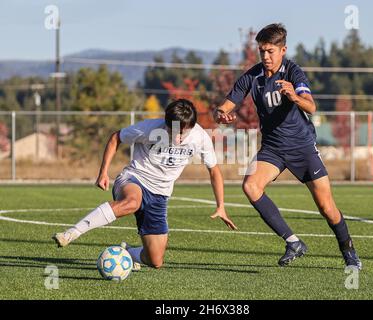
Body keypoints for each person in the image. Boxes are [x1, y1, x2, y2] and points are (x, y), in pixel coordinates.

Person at [213, 23, 361, 269]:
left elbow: (311, 107)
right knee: (250, 186)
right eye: (262, 51)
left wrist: (294, 96)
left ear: (283, 50)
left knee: (327, 207)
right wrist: (221, 115)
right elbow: (224, 107)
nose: (266, 56)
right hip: (272, 148)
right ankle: (293, 242)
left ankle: (349, 252)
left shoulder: (293, 72)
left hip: (302, 147)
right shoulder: (253, 76)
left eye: (270, 51)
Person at [53, 98, 237, 269]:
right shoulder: (150, 128)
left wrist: (221, 205)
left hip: (160, 195)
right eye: (174, 131)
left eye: (183, 132)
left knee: (155, 261)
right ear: (166, 124)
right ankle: (72, 232)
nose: (179, 138)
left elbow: (214, 171)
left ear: (191, 126)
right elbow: (116, 137)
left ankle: (126, 253)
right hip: (134, 179)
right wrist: (103, 173)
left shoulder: (200, 137)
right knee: (133, 202)